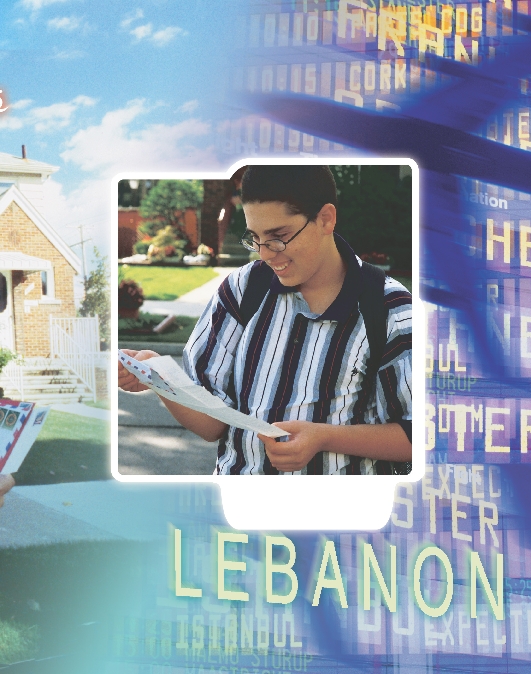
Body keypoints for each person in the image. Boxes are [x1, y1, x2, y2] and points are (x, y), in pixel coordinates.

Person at [119, 165, 412, 475]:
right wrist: (159, 377)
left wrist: (324, 438)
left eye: (278, 237)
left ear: (326, 218)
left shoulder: (388, 307)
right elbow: (212, 425)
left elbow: (420, 436)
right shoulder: (242, 289)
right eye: (255, 238)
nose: (265, 255)